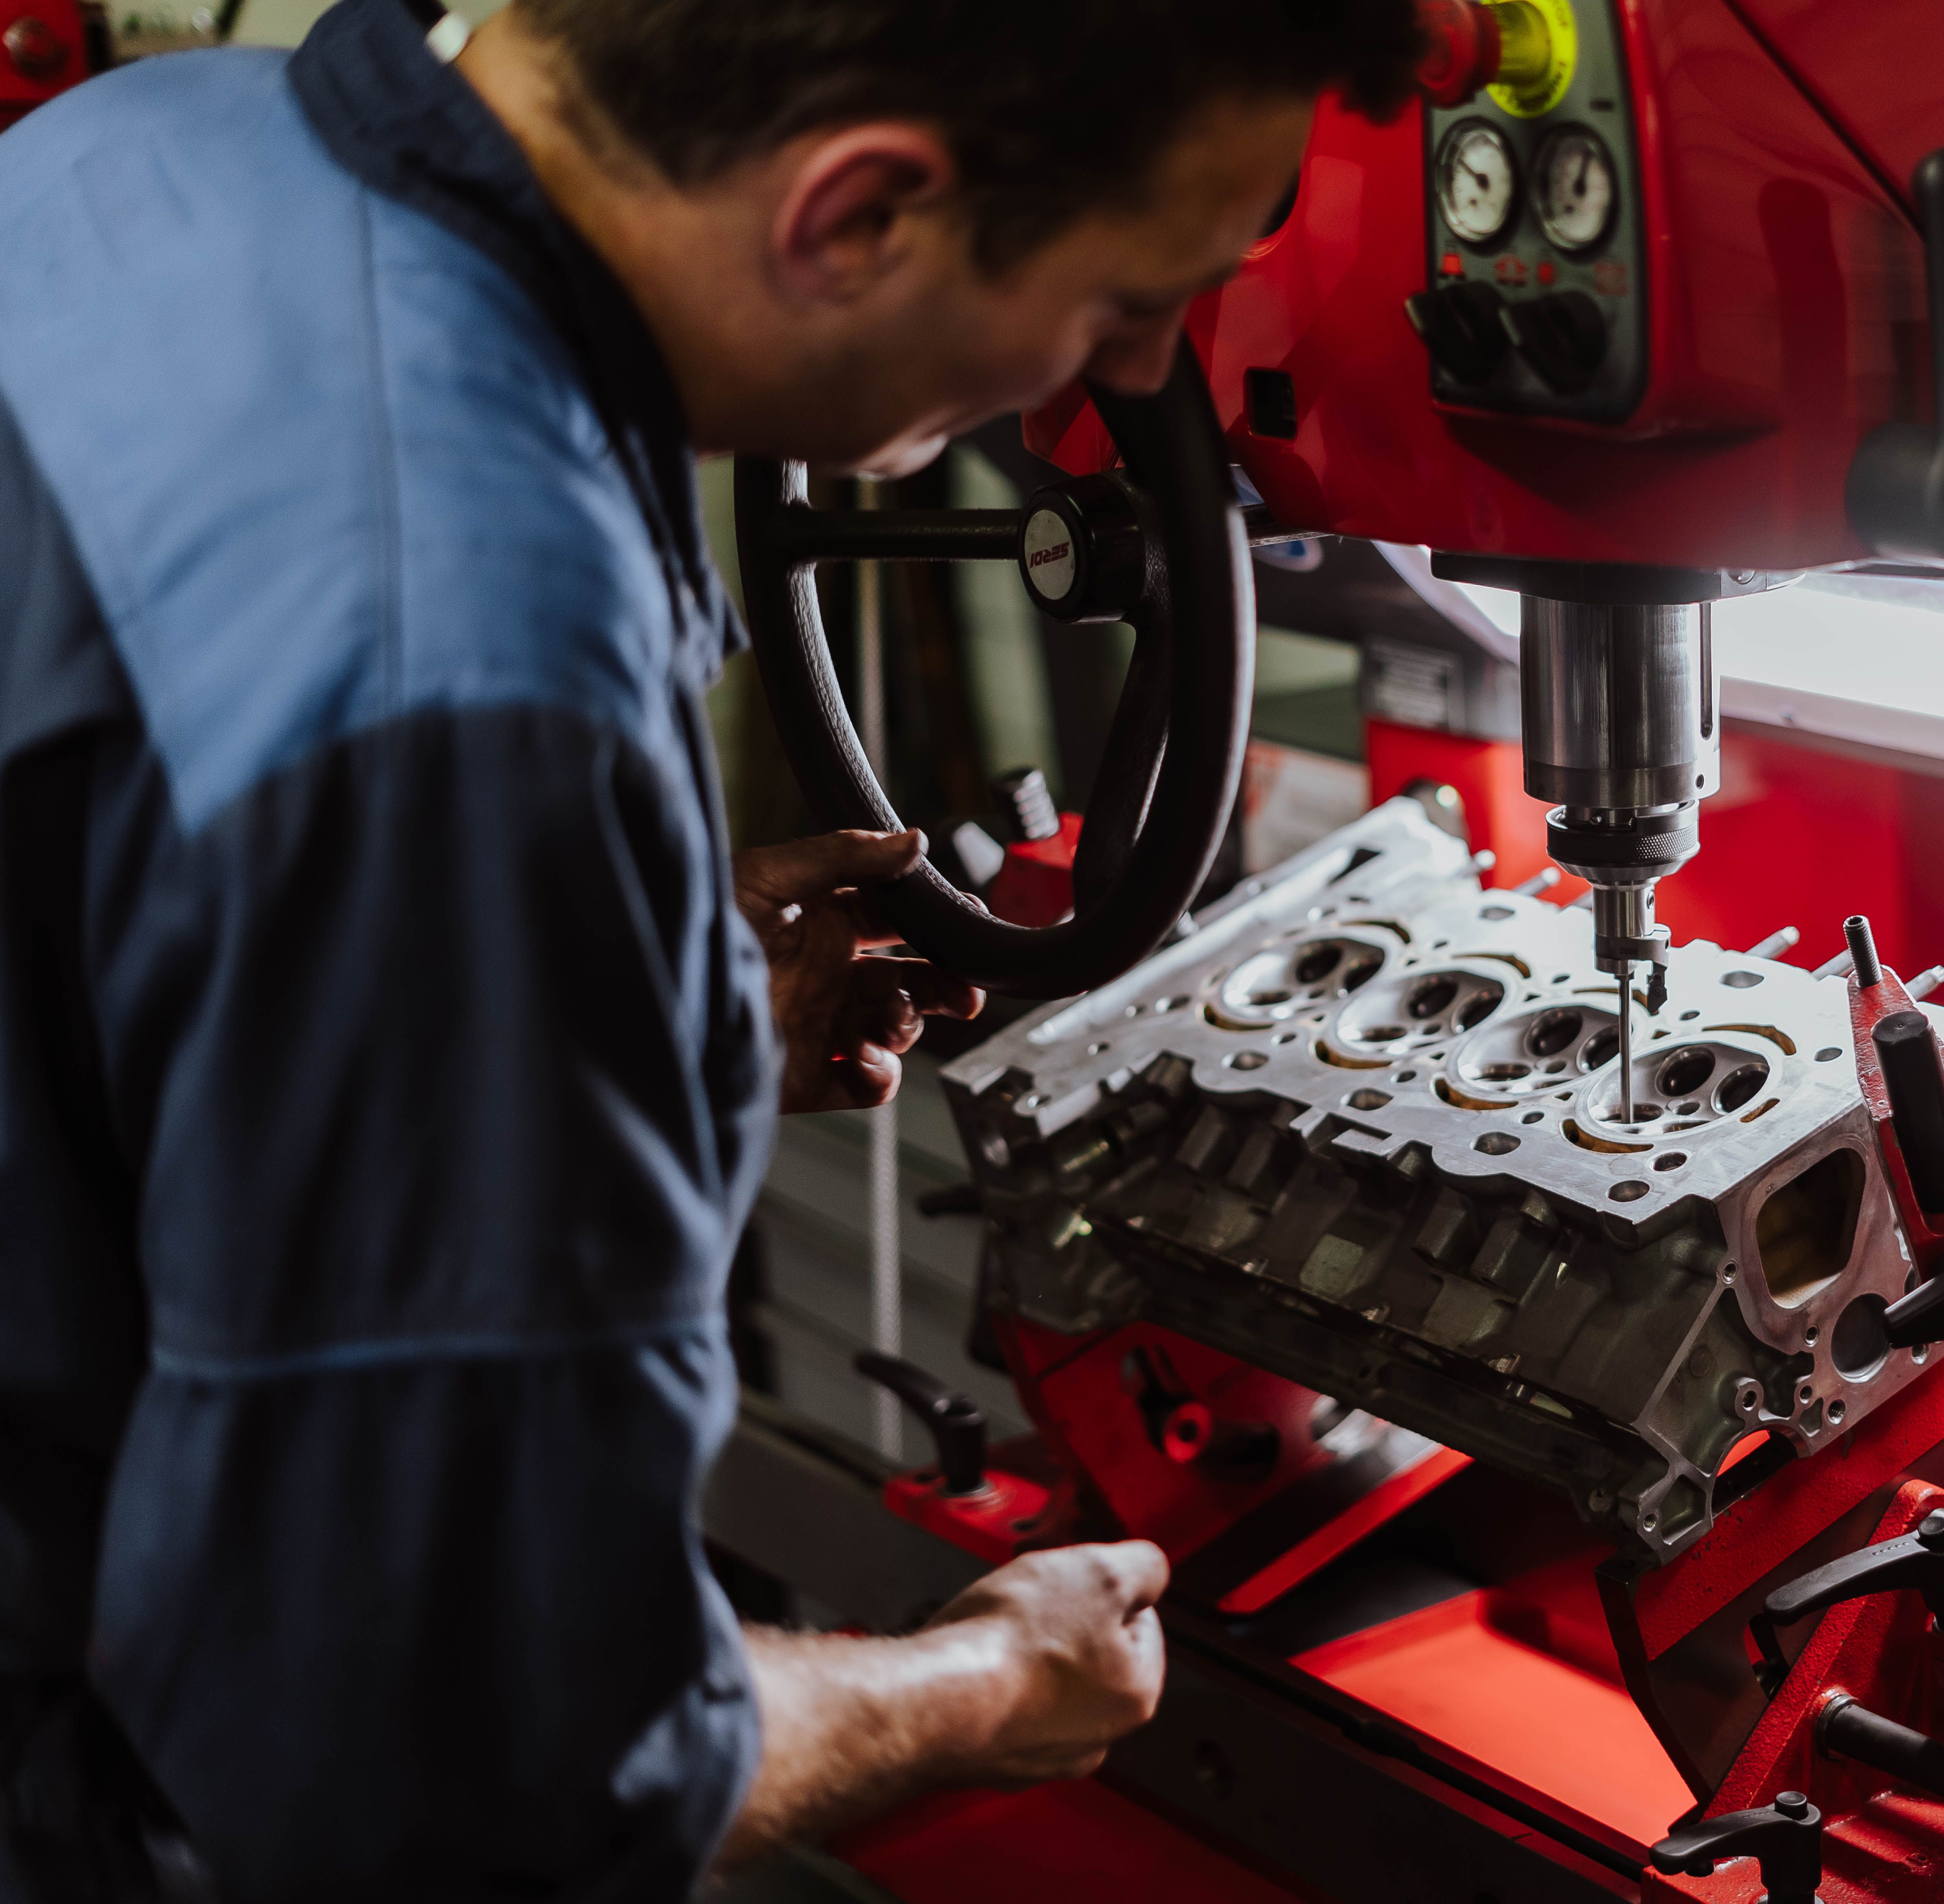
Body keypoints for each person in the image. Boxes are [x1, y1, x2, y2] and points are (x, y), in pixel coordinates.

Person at [0, 0, 1415, 1895]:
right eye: (1121, 300)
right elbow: (462, 1786)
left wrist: (608, 1011)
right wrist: (991, 1679)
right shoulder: (478, 690)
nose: (1151, 365)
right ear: (857, 219)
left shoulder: (165, 148)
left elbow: (128, 933)